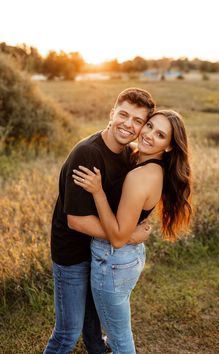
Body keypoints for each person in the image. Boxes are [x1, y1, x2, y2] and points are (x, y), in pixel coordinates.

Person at [43, 87, 156, 354]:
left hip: (100, 252)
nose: (128, 124)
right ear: (112, 113)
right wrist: (127, 236)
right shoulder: (87, 153)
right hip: (73, 253)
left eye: (138, 121)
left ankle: (96, 348)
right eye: (124, 114)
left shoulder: (129, 155)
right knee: (67, 332)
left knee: (93, 325)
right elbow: (77, 222)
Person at [72, 109, 192, 354]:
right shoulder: (148, 164)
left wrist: (97, 192)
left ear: (169, 146)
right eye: (148, 126)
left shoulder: (141, 176)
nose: (148, 135)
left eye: (160, 135)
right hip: (127, 258)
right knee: (116, 329)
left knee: (120, 340)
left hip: (113, 260)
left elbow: (117, 238)